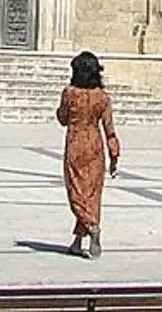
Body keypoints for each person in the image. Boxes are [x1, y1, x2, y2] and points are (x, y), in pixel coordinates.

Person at [57, 49, 122, 258]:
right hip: (96, 147)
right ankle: (77, 242)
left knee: (76, 191)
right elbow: (110, 129)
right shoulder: (103, 98)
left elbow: (63, 119)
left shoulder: (70, 93)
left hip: (76, 145)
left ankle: (92, 227)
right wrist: (114, 157)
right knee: (92, 195)